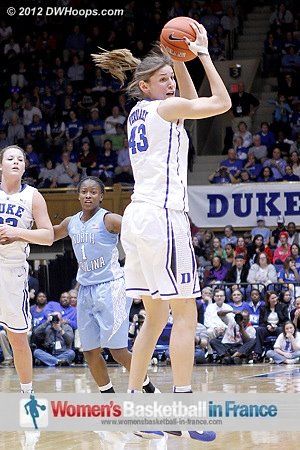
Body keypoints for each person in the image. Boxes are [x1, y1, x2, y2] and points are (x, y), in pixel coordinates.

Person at [93, 22, 231, 443]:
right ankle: (187, 412)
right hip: (162, 218)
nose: (171, 84)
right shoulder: (162, 108)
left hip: (138, 217)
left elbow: (188, 100)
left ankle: (134, 408)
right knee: (185, 314)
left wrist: (177, 61)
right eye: (164, 80)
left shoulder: (140, 111)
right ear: (144, 86)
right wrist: (202, 55)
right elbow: (220, 102)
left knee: (154, 318)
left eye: (171, 78)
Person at [53, 176, 158, 394]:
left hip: (111, 288)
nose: (88, 195)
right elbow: (50, 235)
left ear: (101, 196)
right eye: (84, 192)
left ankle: (148, 387)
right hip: (85, 290)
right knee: (90, 351)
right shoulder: (70, 222)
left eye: (93, 192)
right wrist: (19, 234)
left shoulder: (108, 219)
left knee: (117, 351)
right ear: (79, 195)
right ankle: (108, 399)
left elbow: (137, 232)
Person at [0, 145, 53, 393]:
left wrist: (17, 233)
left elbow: (48, 236)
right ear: (1, 165)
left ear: (24, 166)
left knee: (18, 338)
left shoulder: (33, 196)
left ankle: (27, 393)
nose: (15, 162)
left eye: (20, 159)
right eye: (10, 158)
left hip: (13, 272)